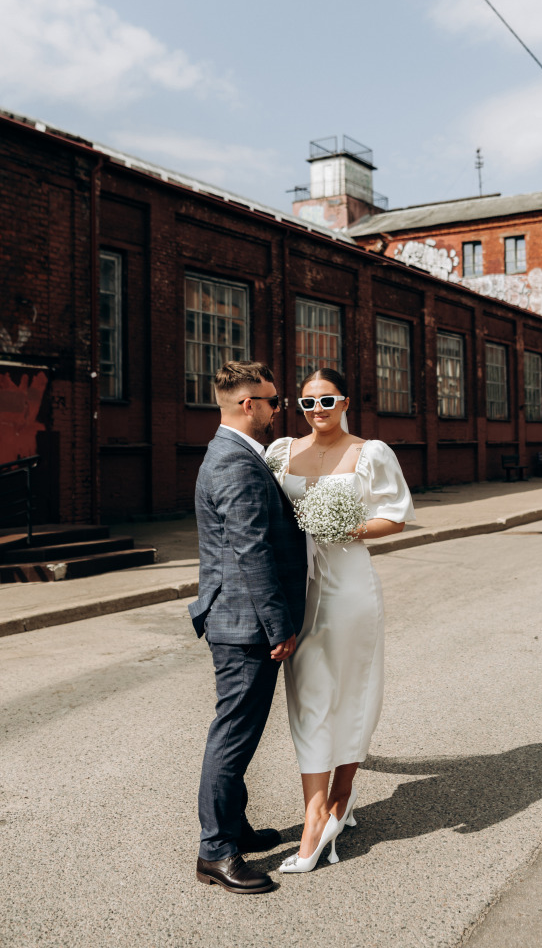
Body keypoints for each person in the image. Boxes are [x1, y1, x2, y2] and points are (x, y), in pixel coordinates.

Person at [266, 367, 415, 873]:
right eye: (308, 404)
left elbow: (395, 515)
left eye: (326, 401)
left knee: (352, 687)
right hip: (297, 590)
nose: (318, 412)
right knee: (307, 692)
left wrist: (351, 528)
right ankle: (314, 814)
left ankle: (341, 794)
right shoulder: (281, 453)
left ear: (345, 400)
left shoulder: (371, 453)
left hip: (349, 586)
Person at [189, 361, 307, 895]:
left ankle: (233, 827)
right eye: (274, 401)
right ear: (247, 406)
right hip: (244, 625)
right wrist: (279, 625)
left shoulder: (234, 454)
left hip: (238, 618)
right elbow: (252, 551)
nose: (279, 409)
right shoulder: (235, 463)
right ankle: (216, 851)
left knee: (241, 731)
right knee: (234, 735)